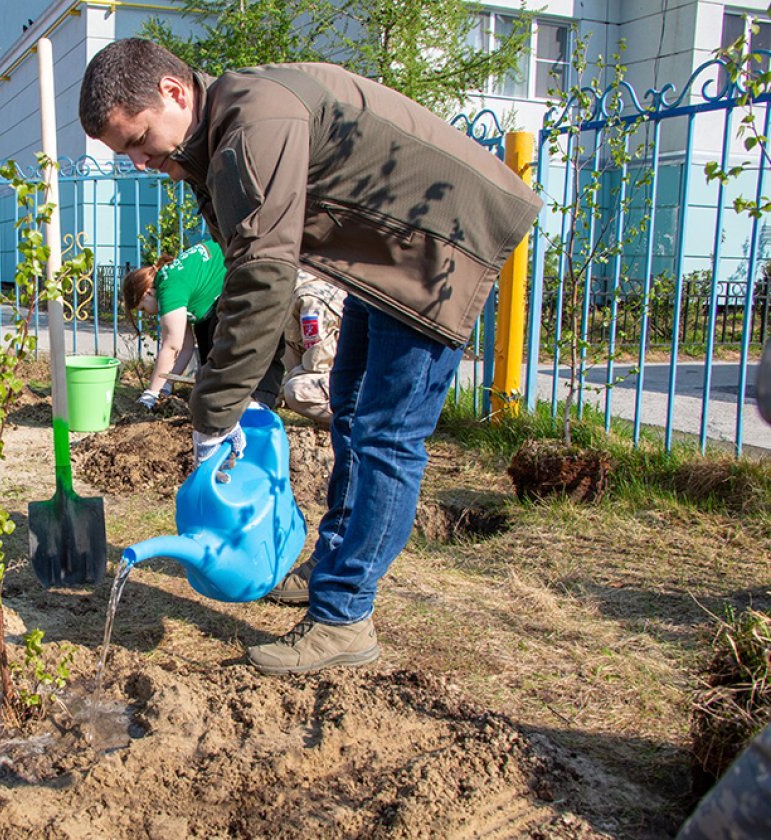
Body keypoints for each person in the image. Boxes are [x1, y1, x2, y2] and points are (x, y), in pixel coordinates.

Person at [80, 39, 541, 675]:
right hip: (383, 256)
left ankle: (345, 617)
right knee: (349, 409)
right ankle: (332, 569)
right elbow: (248, 274)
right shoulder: (215, 140)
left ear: (173, 93)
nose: (138, 162)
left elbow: (265, 281)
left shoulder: (253, 126)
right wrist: (253, 396)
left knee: (386, 436)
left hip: (440, 242)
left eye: (138, 140)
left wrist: (213, 413)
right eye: (124, 152)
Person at [124, 240, 284, 410]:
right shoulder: (170, 284)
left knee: (223, 348)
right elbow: (184, 348)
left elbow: (171, 347)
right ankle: (220, 400)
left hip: (250, 277)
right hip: (224, 290)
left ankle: (255, 402)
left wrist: (151, 393)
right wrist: (166, 386)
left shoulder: (168, 289)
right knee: (206, 345)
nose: (148, 313)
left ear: (147, 292)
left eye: (143, 308)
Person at [280, 271, 347, 428]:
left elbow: (318, 365)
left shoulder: (310, 300)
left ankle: (360, 421)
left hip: (355, 382)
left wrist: (278, 392)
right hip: (334, 373)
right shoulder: (292, 291)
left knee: (296, 391)